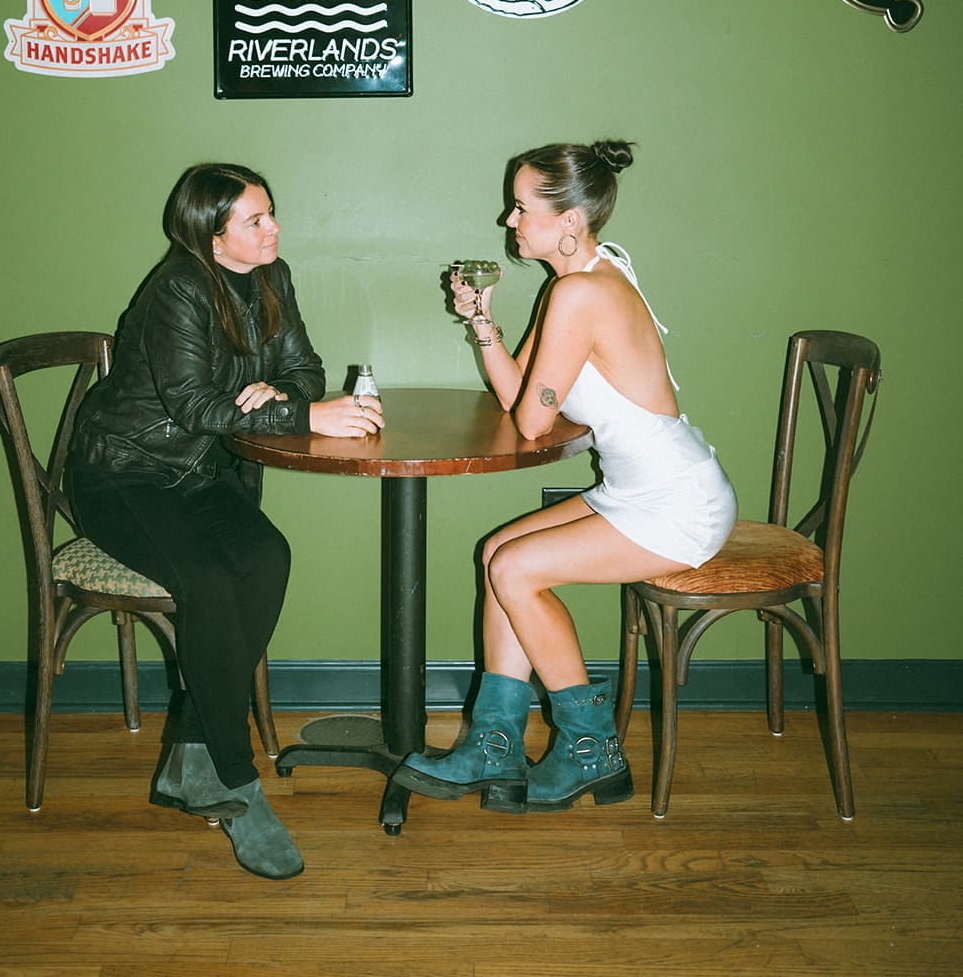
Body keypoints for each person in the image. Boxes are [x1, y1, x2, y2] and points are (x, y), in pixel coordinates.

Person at [391, 140, 736, 815]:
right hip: (640, 491)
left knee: (517, 570)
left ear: (569, 220)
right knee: (498, 556)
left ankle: (592, 752)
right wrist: (481, 322)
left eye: (521, 208)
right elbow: (521, 395)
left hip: (677, 505)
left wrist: (504, 359)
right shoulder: (577, 283)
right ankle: (495, 744)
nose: (509, 221)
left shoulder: (581, 293)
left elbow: (527, 425)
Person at [66, 163, 383, 878]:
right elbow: (195, 407)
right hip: (123, 474)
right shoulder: (176, 289)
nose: (274, 229)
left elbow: (305, 364)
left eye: (272, 214)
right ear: (211, 235)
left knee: (268, 557)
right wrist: (306, 414)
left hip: (200, 472)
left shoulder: (273, 276)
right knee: (208, 580)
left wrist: (284, 388)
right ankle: (238, 787)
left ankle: (190, 751)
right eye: (256, 220)